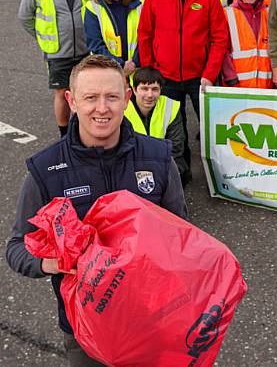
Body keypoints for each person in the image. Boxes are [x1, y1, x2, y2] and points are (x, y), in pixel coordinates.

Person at [5, 55, 188, 367]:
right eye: (90, 98)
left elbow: (182, 235)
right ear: (71, 101)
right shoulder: (45, 170)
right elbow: (17, 248)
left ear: (127, 98)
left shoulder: (158, 159)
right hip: (84, 331)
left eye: (112, 97)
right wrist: (54, 262)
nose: (102, 108)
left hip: (151, 318)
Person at [138, 0, 229, 169]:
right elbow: (145, 34)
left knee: (210, 128)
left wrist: (209, 74)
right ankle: (181, 171)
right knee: (175, 130)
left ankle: (218, 172)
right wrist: (151, 71)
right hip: (165, 77)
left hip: (200, 76)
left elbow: (220, 39)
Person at [18, 0, 92, 137]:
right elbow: (25, 17)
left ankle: (82, 131)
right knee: (61, 93)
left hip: (84, 49)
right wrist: (43, 38)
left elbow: (91, 10)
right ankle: (64, 134)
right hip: (57, 52)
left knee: (84, 93)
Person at [125, 65, 189, 185]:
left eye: (155, 89)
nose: (150, 95)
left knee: (179, 169)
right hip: (133, 166)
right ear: (134, 90)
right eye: (144, 88)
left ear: (161, 90)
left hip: (165, 163)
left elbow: (176, 147)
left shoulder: (171, 107)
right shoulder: (122, 109)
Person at [83, 0, 143, 77]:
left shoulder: (141, 4)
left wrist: (134, 62)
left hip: (138, 71)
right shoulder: (93, 8)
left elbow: (147, 38)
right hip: (109, 71)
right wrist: (120, 65)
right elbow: (95, 45)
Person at [222, 0, 273, 89]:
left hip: (266, 85)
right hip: (238, 85)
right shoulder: (227, 14)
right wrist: (230, 77)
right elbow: (223, 49)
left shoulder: (268, 13)